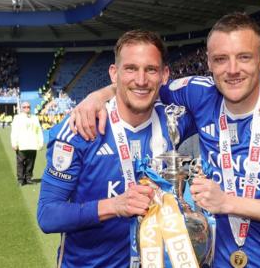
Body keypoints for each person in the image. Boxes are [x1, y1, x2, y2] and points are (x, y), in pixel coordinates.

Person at [71, 13, 260, 268]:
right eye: (221, 59)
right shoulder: (198, 93)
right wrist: (97, 96)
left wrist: (228, 203)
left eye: (244, 57)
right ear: (209, 63)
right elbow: (143, 84)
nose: (233, 69)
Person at [37, 30, 199, 267]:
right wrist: (114, 206)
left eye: (151, 69)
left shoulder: (175, 120)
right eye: (131, 68)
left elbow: (233, 91)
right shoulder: (80, 129)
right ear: (114, 73)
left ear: (164, 74)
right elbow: (48, 216)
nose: (141, 80)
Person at [10, 101, 43, 186]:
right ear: (21, 108)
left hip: (32, 144)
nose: (26, 109)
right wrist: (14, 143)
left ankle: (28, 178)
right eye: (24, 107)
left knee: (30, 163)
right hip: (22, 144)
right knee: (20, 163)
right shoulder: (17, 118)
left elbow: (39, 131)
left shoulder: (34, 118)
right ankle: (21, 180)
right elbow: (14, 131)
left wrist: (40, 142)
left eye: (28, 107)